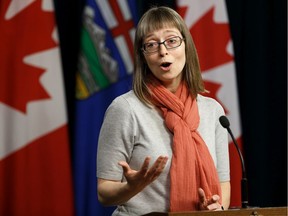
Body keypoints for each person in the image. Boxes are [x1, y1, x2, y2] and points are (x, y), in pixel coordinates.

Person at [96, 6, 231, 215]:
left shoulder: (213, 111)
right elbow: (104, 192)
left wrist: (215, 208)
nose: (163, 51)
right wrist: (130, 188)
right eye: (151, 44)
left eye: (171, 41)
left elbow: (223, 183)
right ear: (143, 56)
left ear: (186, 46)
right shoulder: (125, 109)